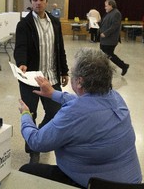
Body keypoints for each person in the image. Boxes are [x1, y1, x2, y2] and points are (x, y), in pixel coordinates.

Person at [18, 47, 142, 188]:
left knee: (26, 171)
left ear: (79, 81)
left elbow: (37, 142)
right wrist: (53, 93)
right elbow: (87, 104)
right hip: (133, 183)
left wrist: (26, 115)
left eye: (72, 73)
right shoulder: (116, 97)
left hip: (97, 185)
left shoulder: (73, 113)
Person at [13, 0, 69, 163]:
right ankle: (33, 149)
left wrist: (64, 70)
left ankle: (39, 137)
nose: (38, 2)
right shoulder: (24, 24)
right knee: (30, 114)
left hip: (51, 77)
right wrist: (21, 63)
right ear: (31, 1)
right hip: (30, 78)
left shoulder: (55, 22)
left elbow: (60, 49)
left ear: (46, 0)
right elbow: (20, 47)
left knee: (56, 111)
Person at [99, 0, 129, 76]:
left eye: (106, 6)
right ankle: (104, 69)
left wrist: (105, 33)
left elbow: (114, 26)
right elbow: (105, 23)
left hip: (110, 39)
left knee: (109, 54)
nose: (105, 7)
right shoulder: (109, 13)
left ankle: (124, 66)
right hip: (104, 39)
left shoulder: (116, 13)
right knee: (105, 54)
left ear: (111, 5)